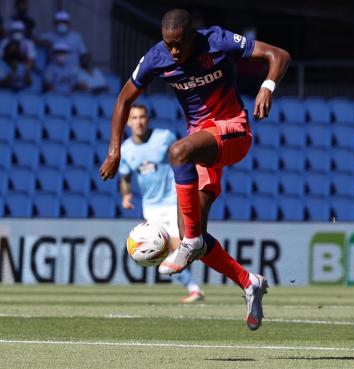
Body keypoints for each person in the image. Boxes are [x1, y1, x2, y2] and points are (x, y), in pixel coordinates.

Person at [99, 9, 290, 330]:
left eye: (178, 44)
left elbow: (278, 54)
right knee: (193, 234)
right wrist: (114, 150)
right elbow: (123, 101)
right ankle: (249, 282)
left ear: (192, 36)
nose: (173, 51)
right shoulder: (156, 58)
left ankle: (189, 246)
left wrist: (267, 86)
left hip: (233, 130)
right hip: (202, 140)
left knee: (178, 151)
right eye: (168, 44)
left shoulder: (216, 40)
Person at [119, 104, 205, 303]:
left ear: (147, 118)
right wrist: (126, 195)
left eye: (142, 117)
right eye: (134, 118)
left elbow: (183, 158)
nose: (139, 121)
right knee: (165, 250)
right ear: (128, 122)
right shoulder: (126, 149)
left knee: (179, 246)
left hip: (173, 200)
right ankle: (193, 288)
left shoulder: (164, 137)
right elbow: (125, 177)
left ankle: (194, 287)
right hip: (151, 208)